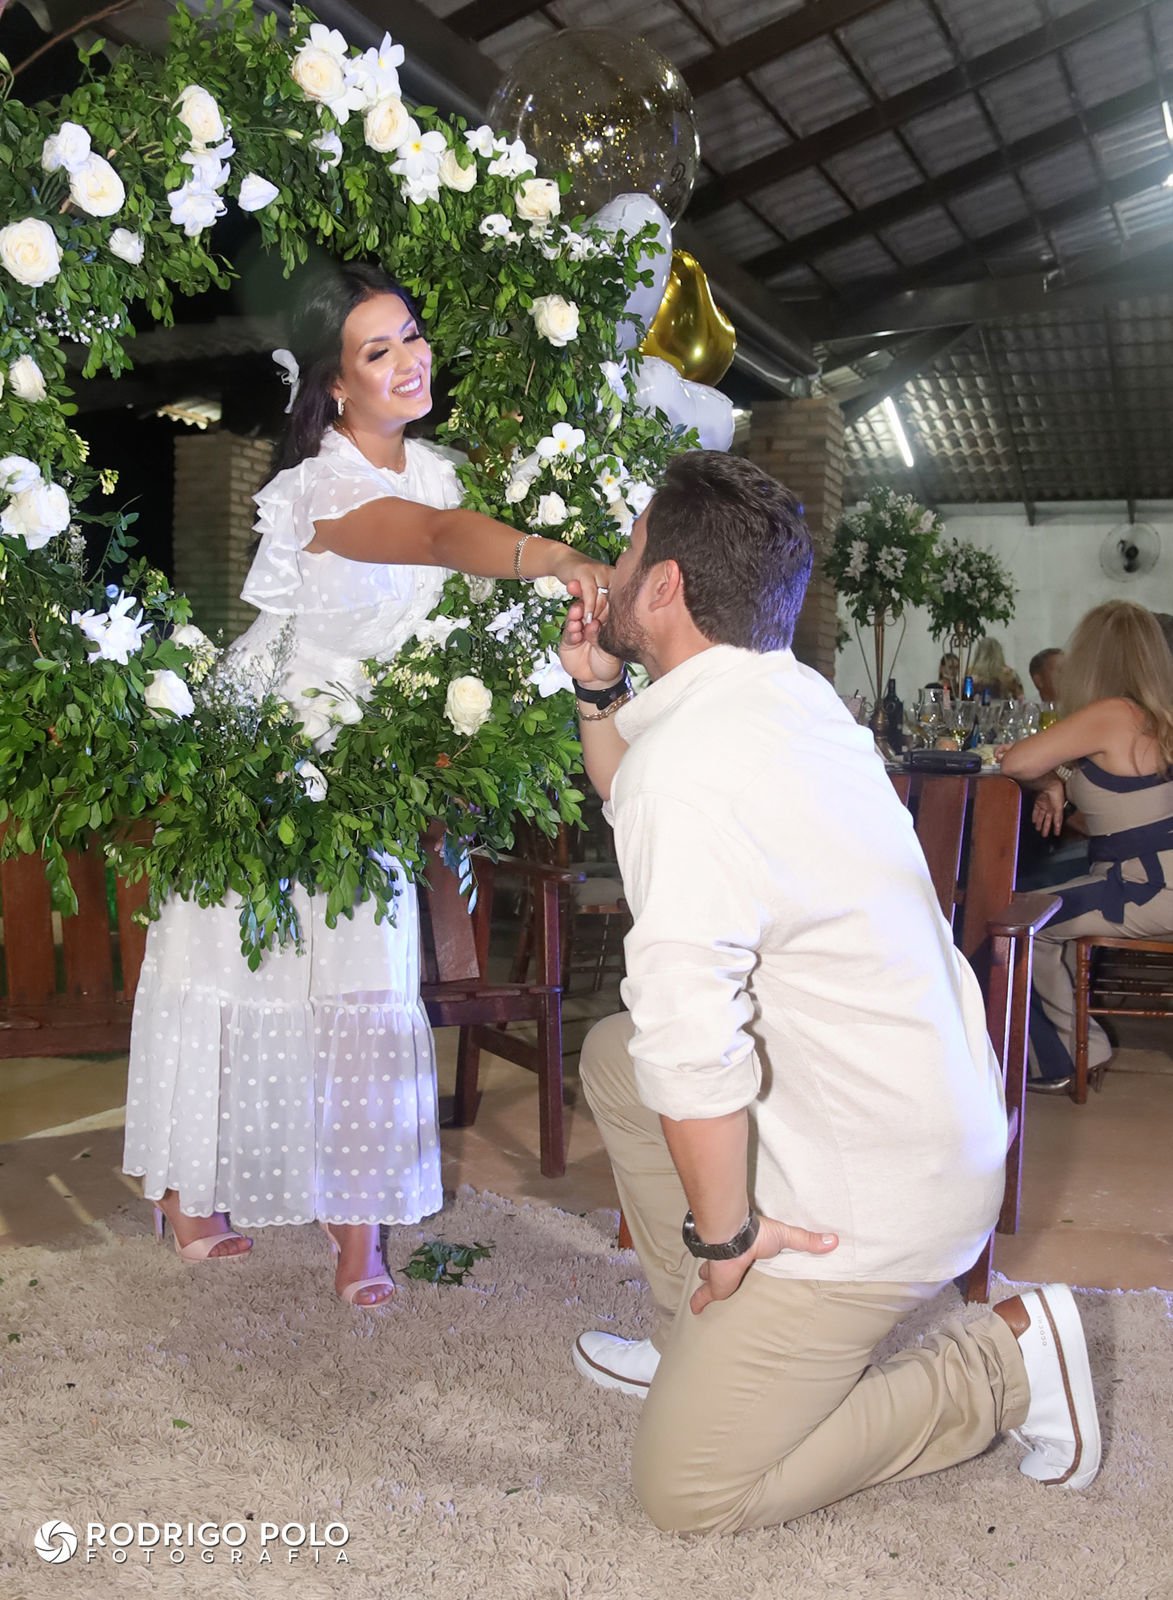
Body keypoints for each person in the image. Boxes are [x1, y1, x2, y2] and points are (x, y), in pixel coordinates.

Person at [557, 449, 1100, 1533]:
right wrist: (597, 689)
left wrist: (723, 1238)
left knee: (687, 1493)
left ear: (665, 587)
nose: (607, 574)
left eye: (625, 554)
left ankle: (1004, 1364)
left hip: (886, 1180)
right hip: (919, 1117)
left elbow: (695, 1045)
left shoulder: (699, 763)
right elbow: (634, 787)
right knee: (613, 1060)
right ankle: (702, 1355)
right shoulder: (782, 699)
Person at [122, 263, 611, 1303]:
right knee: (235, 960)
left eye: (411, 333)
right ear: (335, 386)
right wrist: (554, 554)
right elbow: (433, 544)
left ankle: (358, 1223)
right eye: (376, 350)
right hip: (270, 747)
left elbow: (449, 564)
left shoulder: (437, 467)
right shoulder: (318, 487)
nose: (408, 359)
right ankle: (188, 1191)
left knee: (363, 973)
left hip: (369, 752)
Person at [997, 600, 1173, 1092]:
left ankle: (1066, 1055)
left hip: (1142, 887)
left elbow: (1015, 761)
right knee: (1033, 904)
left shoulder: (1114, 712)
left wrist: (1050, 778)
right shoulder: (1153, 717)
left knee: (1016, 924)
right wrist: (1055, 779)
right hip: (1148, 881)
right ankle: (1077, 1045)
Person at [971, 636, 1024, 702]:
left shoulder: (971, 677)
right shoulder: (1010, 675)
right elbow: (1021, 700)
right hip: (1005, 711)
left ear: (978, 653)